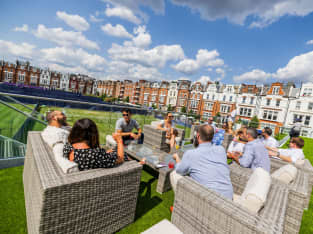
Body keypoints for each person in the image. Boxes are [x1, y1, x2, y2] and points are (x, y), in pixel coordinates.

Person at [171, 124, 233, 200]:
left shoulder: (191, 153)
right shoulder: (221, 150)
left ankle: (182, 202)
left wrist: (177, 158)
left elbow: (180, 171)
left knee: (174, 174)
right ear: (212, 137)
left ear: (198, 136)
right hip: (228, 197)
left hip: (209, 200)